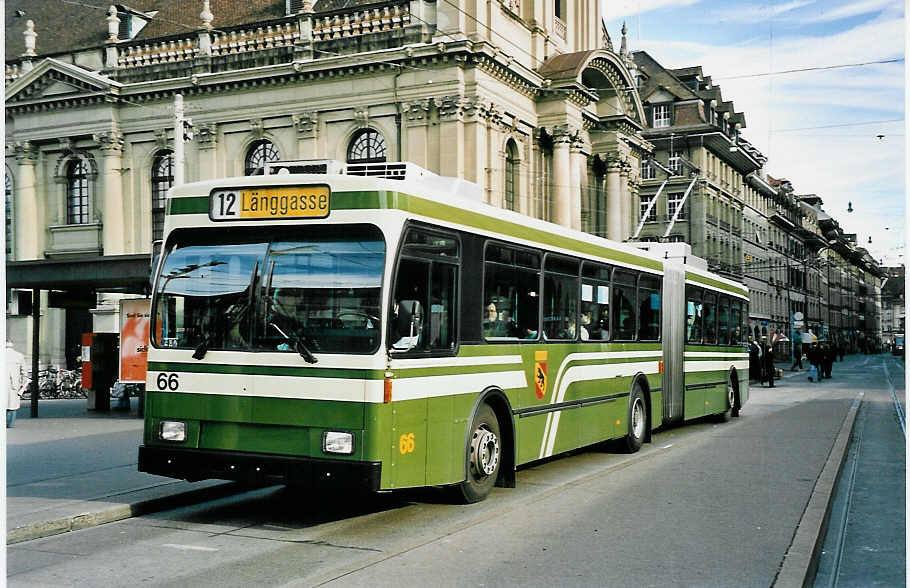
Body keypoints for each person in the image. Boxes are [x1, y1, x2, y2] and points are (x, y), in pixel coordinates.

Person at [7, 341, 25, 428]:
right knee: (12, 404)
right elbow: (24, 371)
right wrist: (23, 382)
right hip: (14, 384)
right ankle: (10, 423)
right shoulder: (19, 355)